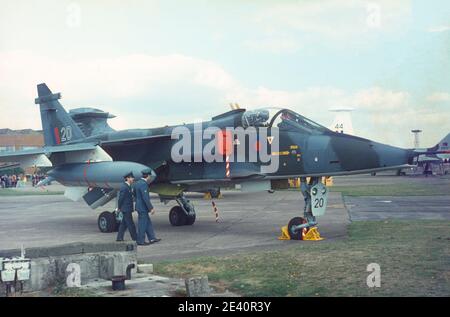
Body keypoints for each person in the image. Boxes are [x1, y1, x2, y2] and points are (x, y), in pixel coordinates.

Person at [135, 168, 161, 246]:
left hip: (139, 206)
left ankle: (152, 238)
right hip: (143, 207)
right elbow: (145, 198)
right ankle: (140, 241)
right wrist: (151, 208)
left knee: (147, 222)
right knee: (142, 224)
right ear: (148, 176)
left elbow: (134, 194)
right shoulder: (143, 184)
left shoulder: (138, 183)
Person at [116, 172, 138, 242]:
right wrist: (119, 208)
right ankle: (135, 238)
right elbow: (120, 198)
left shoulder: (128, 186)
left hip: (127, 208)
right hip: (126, 209)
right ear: (127, 178)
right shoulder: (124, 187)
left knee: (124, 224)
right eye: (131, 177)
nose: (133, 179)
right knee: (131, 224)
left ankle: (119, 238)